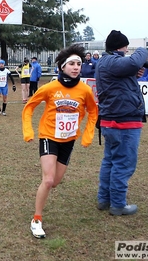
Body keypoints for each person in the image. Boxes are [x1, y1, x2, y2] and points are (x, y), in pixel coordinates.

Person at [22, 44, 98, 239]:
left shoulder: (85, 90)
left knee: (55, 182)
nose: (76, 67)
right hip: (48, 136)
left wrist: (88, 134)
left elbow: (93, 112)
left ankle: (41, 201)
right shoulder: (50, 88)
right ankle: (36, 219)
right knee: (47, 180)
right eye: (71, 64)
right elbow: (29, 107)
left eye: (79, 64)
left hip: (69, 140)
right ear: (62, 67)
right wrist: (28, 129)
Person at [95, 30, 148, 216]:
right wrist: (142, 50)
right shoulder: (112, 61)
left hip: (111, 120)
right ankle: (118, 204)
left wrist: (132, 76)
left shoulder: (105, 62)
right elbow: (134, 61)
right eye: (126, 47)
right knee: (123, 163)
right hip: (124, 120)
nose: (128, 50)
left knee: (110, 160)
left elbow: (121, 80)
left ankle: (104, 199)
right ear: (121, 47)